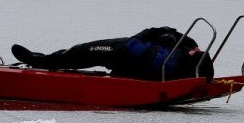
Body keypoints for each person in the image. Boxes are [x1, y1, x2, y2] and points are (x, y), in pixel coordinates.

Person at [11, 26, 215, 81]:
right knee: (78, 52)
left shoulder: (167, 61)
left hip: (120, 51)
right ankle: (45, 58)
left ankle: (39, 61)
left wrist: (152, 32)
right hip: (126, 55)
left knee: (80, 51)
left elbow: (135, 44)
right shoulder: (181, 54)